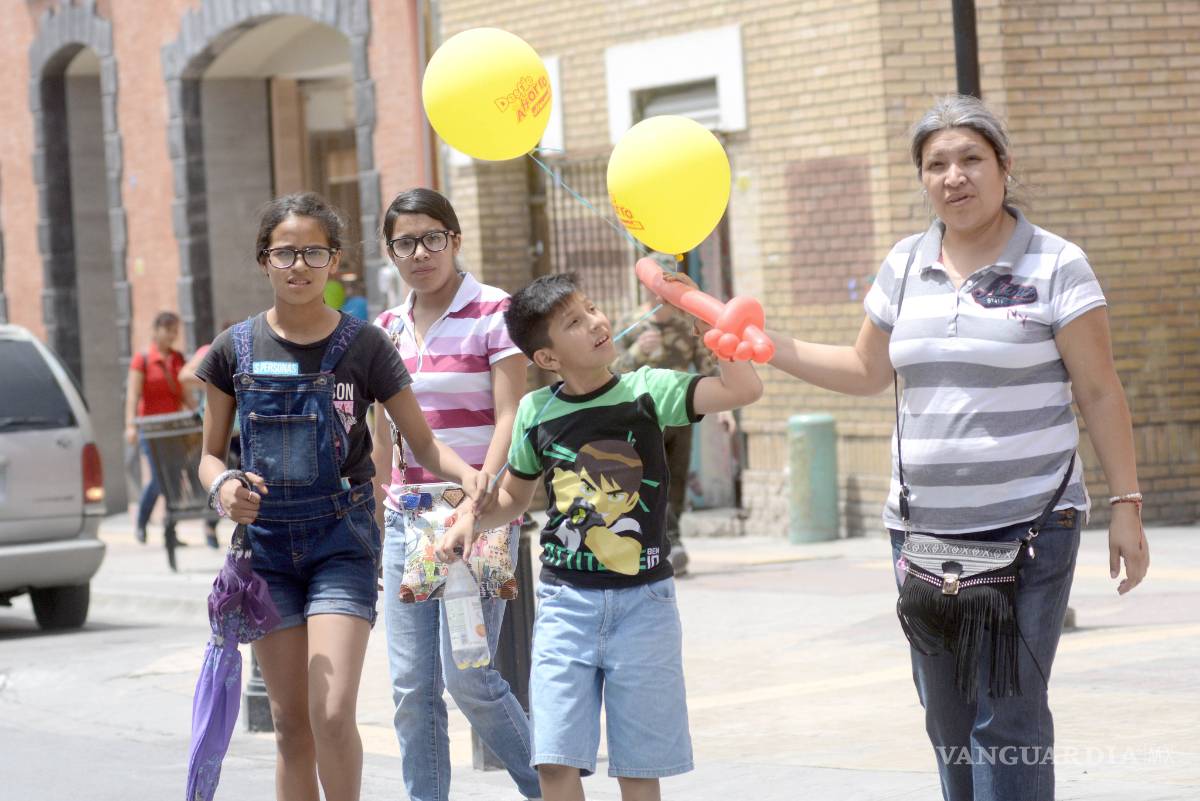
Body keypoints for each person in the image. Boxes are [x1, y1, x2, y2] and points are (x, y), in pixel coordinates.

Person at [752, 95, 1149, 801]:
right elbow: (866, 369)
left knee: (1008, 714)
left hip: (1033, 528)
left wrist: (1127, 504)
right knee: (948, 718)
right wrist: (767, 345)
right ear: (922, 178)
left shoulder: (1058, 264)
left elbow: (1098, 390)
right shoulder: (905, 263)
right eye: (936, 164)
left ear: (1004, 166)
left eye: (971, 158)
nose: (954, 176)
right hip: (923, 535)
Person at [194, 192, 486, 801]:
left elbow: (424, 443)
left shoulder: (366, 346)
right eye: (285, 253)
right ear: (264, 260)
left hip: (341, 543)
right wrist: (224, 487)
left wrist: (470, 475)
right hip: (265, 549)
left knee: (330, 714)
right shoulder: (232, 349)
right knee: (290, 726)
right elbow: (209, 456)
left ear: (335, 260)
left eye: (313, 252)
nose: (299, 265)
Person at [439, 273, 763, 801]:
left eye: (591, 309)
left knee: (637, 768)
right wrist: (471, 519)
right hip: (566, 606)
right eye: (574, 321)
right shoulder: (535, 411)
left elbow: (743, 389)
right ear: (547, 358)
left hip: (645, 606)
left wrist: (713, 326)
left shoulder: (649, 390)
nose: (595, 322)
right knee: (554, 760)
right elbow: (515, 499)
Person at [369, 188, 541, 801]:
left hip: (480, 518)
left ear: (455, 239)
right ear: (390, 252)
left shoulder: (495, 310)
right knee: (411, 688)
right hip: (407, 521)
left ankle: (551, 790)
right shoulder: (385, 330)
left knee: (469, 677)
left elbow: (511, 413)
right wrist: (377, 521)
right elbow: (382, 437)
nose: (420, 253)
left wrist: (479, 499)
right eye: (405, 243)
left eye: (432, 238)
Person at [612, 288, 737, 575]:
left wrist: (726, 408)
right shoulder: (631, 322)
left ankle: (669, 538)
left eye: (663, 289)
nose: (658, 296)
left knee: (676, 480)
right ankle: (667, 540)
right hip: (643, 417)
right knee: (650, 479)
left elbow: (708, 366)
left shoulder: (685, 325)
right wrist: (637, 351)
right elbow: (611, 370)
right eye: (652, 288)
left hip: (680, 416)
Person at [125, 310, 192, 545]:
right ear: (156, 330)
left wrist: (199, 415)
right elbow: (133, 395)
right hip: (151, 429)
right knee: (158, 479)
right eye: (168, 330)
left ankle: (170, 533)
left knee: (174, 480)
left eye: (175, 331)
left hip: (174, 429)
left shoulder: (178, 359)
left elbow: (185, 393)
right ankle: (141, 522)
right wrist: (130, 425)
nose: (172, 335)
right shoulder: (142, 359)